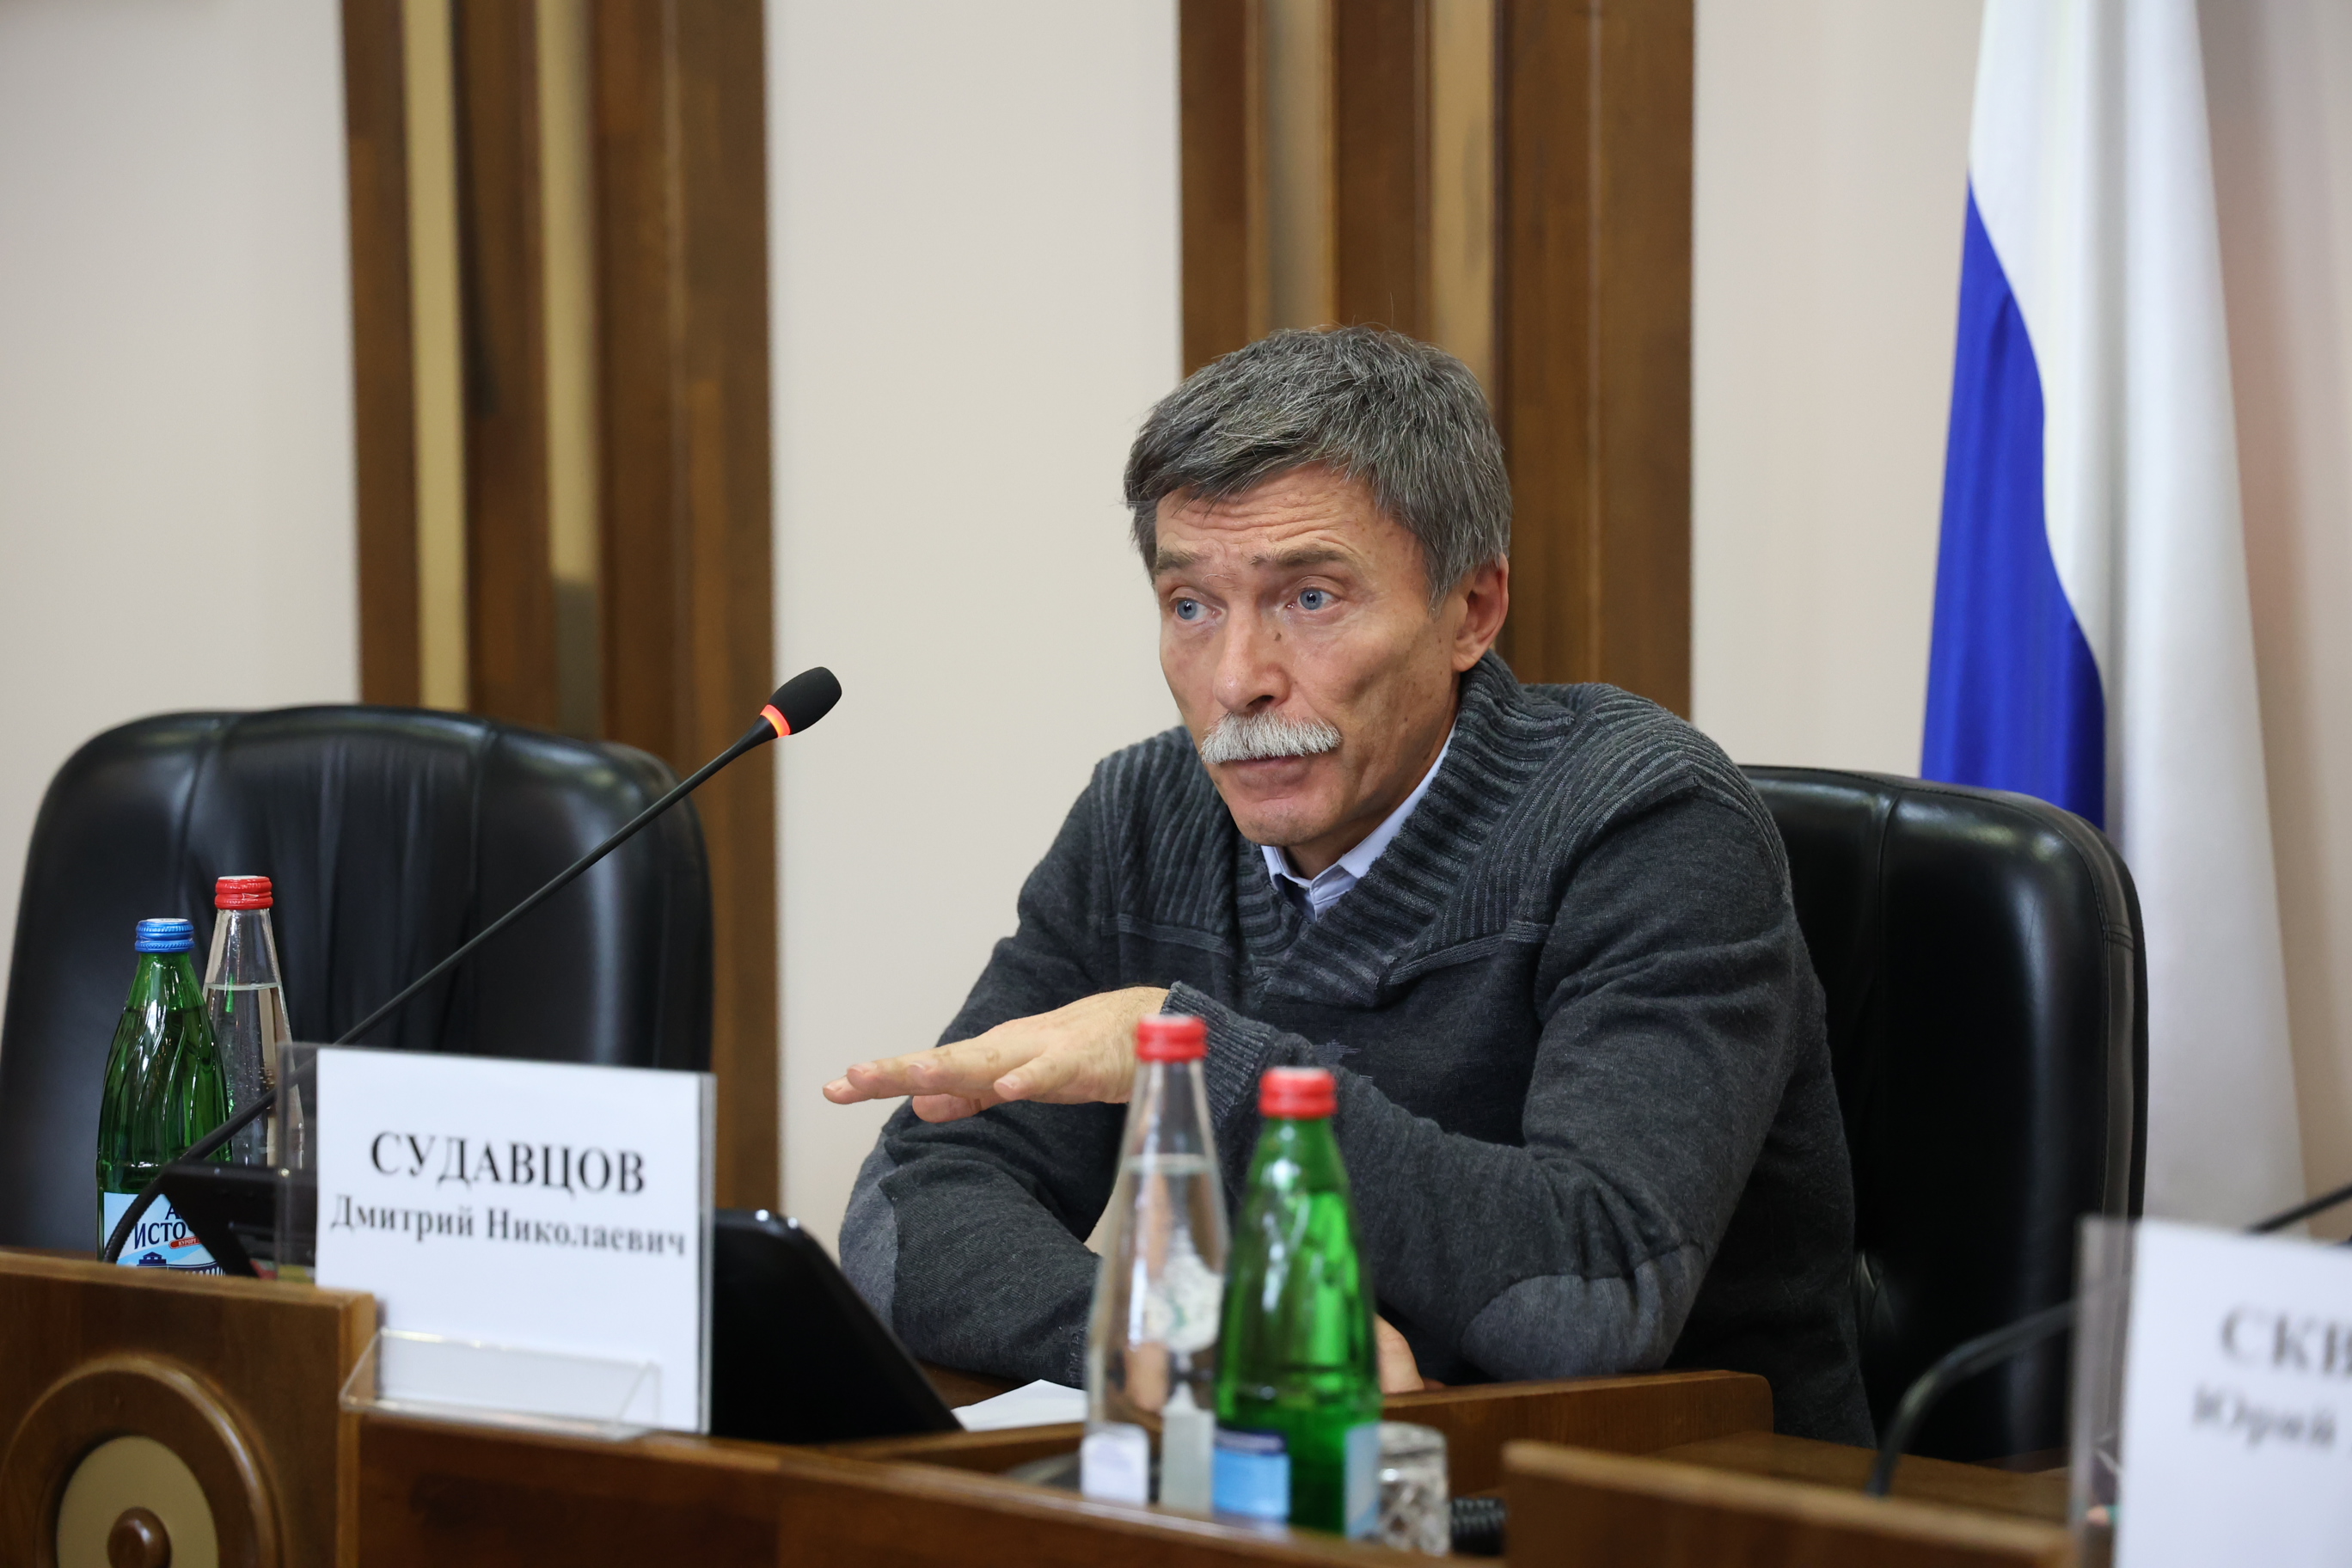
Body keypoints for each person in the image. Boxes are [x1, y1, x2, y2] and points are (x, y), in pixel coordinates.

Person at [827, 326, 1871, 1442]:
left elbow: (1590, 1302)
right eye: (1191, 606)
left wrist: (1196, 1063)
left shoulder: (1647, 824)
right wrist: (1197, 1339)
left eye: (1311, 598)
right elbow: (907, 1216)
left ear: (1472, 610)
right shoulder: (1146, 819)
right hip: (1302, 1486)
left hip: (1668, 1499)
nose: (1239, 679)